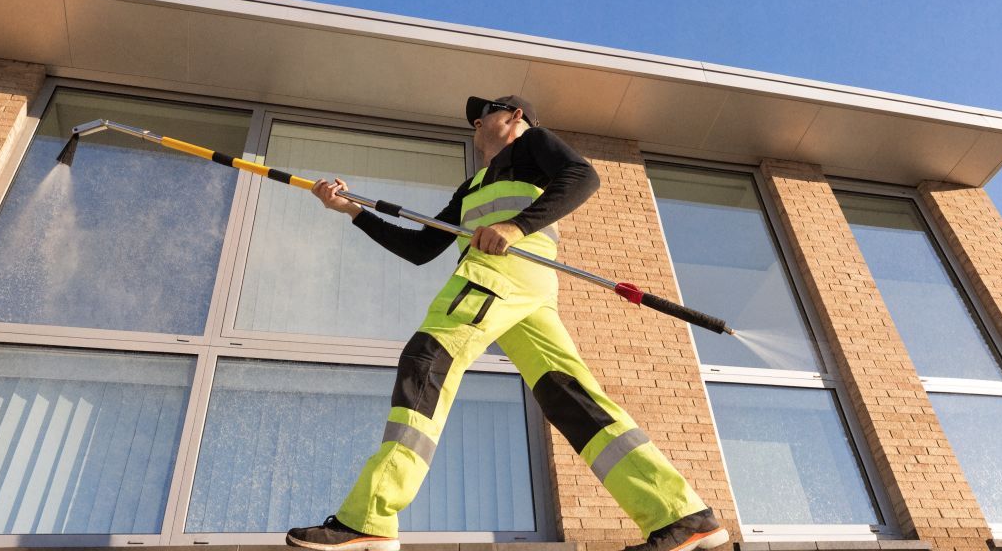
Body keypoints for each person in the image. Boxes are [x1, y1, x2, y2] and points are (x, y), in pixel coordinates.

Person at [285, 95, 728, 551]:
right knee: (569, 396)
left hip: (501, 274)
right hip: (526, 293)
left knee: (427, 358)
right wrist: (353, 212)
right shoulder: (473, 185)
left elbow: (584, 176)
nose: (476, 124)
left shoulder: (534, 143)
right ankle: (682, 515)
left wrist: (516, 227)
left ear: (515, 117)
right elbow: (421, 249)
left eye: (485, 114)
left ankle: (369, 516)